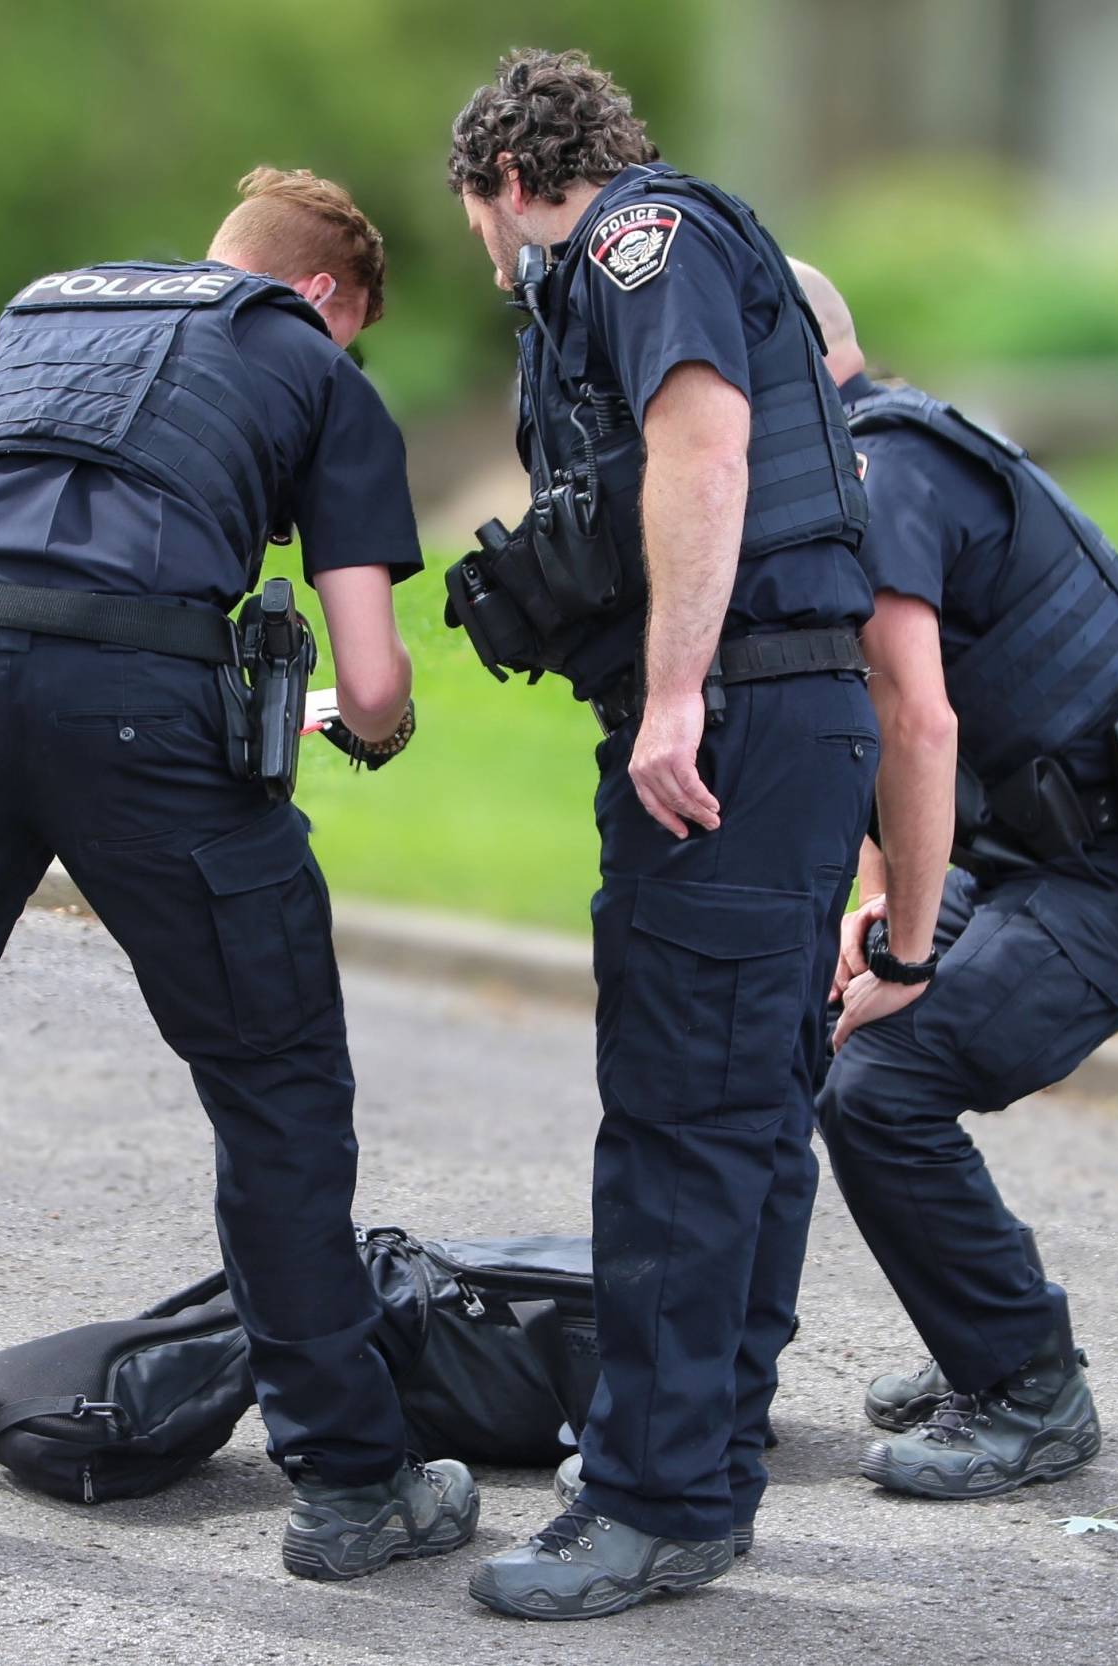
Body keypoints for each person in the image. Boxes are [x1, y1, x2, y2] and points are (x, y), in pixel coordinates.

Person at [0, 168, 479, 1582]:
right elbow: (369, 679)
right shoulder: (312, 362)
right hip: (145, 719)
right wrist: (376, 726)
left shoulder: (46, 318)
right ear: (327, 297)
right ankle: (352, 1489)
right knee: (276, 1090)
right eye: (349, 328)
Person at [443, 51, 876, 1621]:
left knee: (684, 1110)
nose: (494, 262)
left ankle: (656, 1500)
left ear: (503, 183)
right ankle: (696, 1459)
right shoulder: (652, 253)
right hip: (791, 721)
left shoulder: (634, 240)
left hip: (737, 722)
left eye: (484, 227)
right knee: (746, 1107)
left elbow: (704, 446)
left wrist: (675, 697)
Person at [793, 259, 1118, 1499]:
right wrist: (886, 897)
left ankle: (1031, 1389)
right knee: (836, 1037)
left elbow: (916, 723)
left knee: (886, 1078)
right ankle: (985, 1335)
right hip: (1041, 852)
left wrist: (912, 948)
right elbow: (878, 717)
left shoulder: (884, 474)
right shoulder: (869, 457)